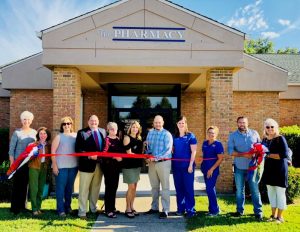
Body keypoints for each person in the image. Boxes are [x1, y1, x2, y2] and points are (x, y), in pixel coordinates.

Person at [228, 116, 263, 221]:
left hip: (253, 167)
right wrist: (244, 155)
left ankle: (258, 212)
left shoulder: (254, 133)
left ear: (247, 123)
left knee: (255, 190)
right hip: (239, 167)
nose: (242, 124)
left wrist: (257, 155)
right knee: (239, 190)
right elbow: (230, 152)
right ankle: (239, 211)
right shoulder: (233, 136)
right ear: (237, 123)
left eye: (244, 122)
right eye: (240, 122)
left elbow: (260, 147)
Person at [75, 115, 106, 220]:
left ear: (98, 121)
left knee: (95, 188)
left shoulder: (103, 131)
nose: (94, 122)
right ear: (88, 122)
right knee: (84, 189)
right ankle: (82, 212)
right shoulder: (82, 133)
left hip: (99, 165)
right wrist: (88, 156)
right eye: (91, 120)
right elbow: (78, 149)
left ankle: (93, 208)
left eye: (95, 121)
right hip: (86, 165)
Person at [9, 111, 37, 214]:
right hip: (18, 163)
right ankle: (15, 207)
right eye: (24, 119)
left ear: (31, 120)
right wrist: (12, 163)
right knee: (17, 185)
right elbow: (11, 149)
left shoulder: (34, 133)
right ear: (21, 120)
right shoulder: (17, 133)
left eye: (28, 119)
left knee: (26, 185)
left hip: (29, 163)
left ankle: (23, 206)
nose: (26, 121)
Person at [145, 115, 173, 219]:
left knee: (165, 187)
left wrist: (155, 158)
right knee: (154, 187)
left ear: (163, 122)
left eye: (159, 122)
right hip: (152, 164)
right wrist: (147, 156)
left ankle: (165, 210)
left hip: (163, 163)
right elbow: (148, 148)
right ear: (153, 123)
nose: (157, 124)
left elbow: (167, 151)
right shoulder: (150, 133)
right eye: (156, 122)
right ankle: (154, 207)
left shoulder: (167, 134)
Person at [261, 118, 289, 223]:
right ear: (265, 128)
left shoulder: (280, 138)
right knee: (271, 193)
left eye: (272, 126)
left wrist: (268, 155)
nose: (270, 129)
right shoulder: (264, 139)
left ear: (276, 127)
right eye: (267, 127)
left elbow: (284, 155)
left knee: (280, 193)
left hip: (280, 170)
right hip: (268, 170)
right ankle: (273, 215)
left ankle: (279, 217)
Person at [51, 116, 78, 217]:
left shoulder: (76, 135)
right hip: (61, 167)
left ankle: (68, 207)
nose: (67, 125)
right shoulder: (59, 137)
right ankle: (60, 210)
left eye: (68, 123)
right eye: (64, 124)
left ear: (71, 125)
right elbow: (52, 152)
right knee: (60, 189)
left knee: (69, 189)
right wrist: (54, 165)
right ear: (62, 126)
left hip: (73, 167)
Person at [172, 116, 197, 218]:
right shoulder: (174, 136)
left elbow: (194, 151)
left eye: (183, 123)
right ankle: (180, 209)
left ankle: (190, 210)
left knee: (188, 188)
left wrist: (191, 165)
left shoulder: (191, 136)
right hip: (176, 167)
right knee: (179, 188)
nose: (181, 125)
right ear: (177, 124)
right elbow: (172, 150)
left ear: (186, 124)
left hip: (188, 167)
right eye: (179, 123)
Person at [122, 121, 144, 218]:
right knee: (130, 187)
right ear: (130, 128)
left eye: (137, 127)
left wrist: (144, 145)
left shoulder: (139, 139)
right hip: (128, 166)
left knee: (134, 187)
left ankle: (132, 206)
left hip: (137, 166)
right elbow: (129, 153)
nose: (135, 129)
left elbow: (141, 152)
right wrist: (140, 156)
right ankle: (127, 208)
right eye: (133, 127)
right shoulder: (127, 138)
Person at [200, 126, 224, 216]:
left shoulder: (218, 144)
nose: (211, 134)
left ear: (216, 134)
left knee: (210, 188)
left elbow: (220, 159)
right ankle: (212, 208)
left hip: (212, 170)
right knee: (210, 189)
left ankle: (215, 211)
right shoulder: (205, 143)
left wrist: (211, 169)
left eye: (213, 133)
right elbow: (204, 156)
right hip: (205, 169)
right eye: (209, 132)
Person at [28, 127, 51, 216]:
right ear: (38, 135)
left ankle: (38, 208)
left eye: (44, 133)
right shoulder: (33, 144)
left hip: (43, 167)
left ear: (47, 135)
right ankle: (34, 209)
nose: (43, 135)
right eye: (41, 133)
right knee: (34, 188)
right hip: (34, 167)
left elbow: (48, 157)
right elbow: (28, 157)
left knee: (41, 188)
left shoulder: (48, 145)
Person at [102, 122, 123, 218]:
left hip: (116, 168)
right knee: (109, 188)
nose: (113, 130)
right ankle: (108, 210)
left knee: (114, 188)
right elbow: (104, 154)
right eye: (111, 128)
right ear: (108, 130)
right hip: (108, 168)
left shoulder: (118, 140)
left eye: (115, 128)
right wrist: (114, 157)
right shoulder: (106, 140)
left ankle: (112, 207)